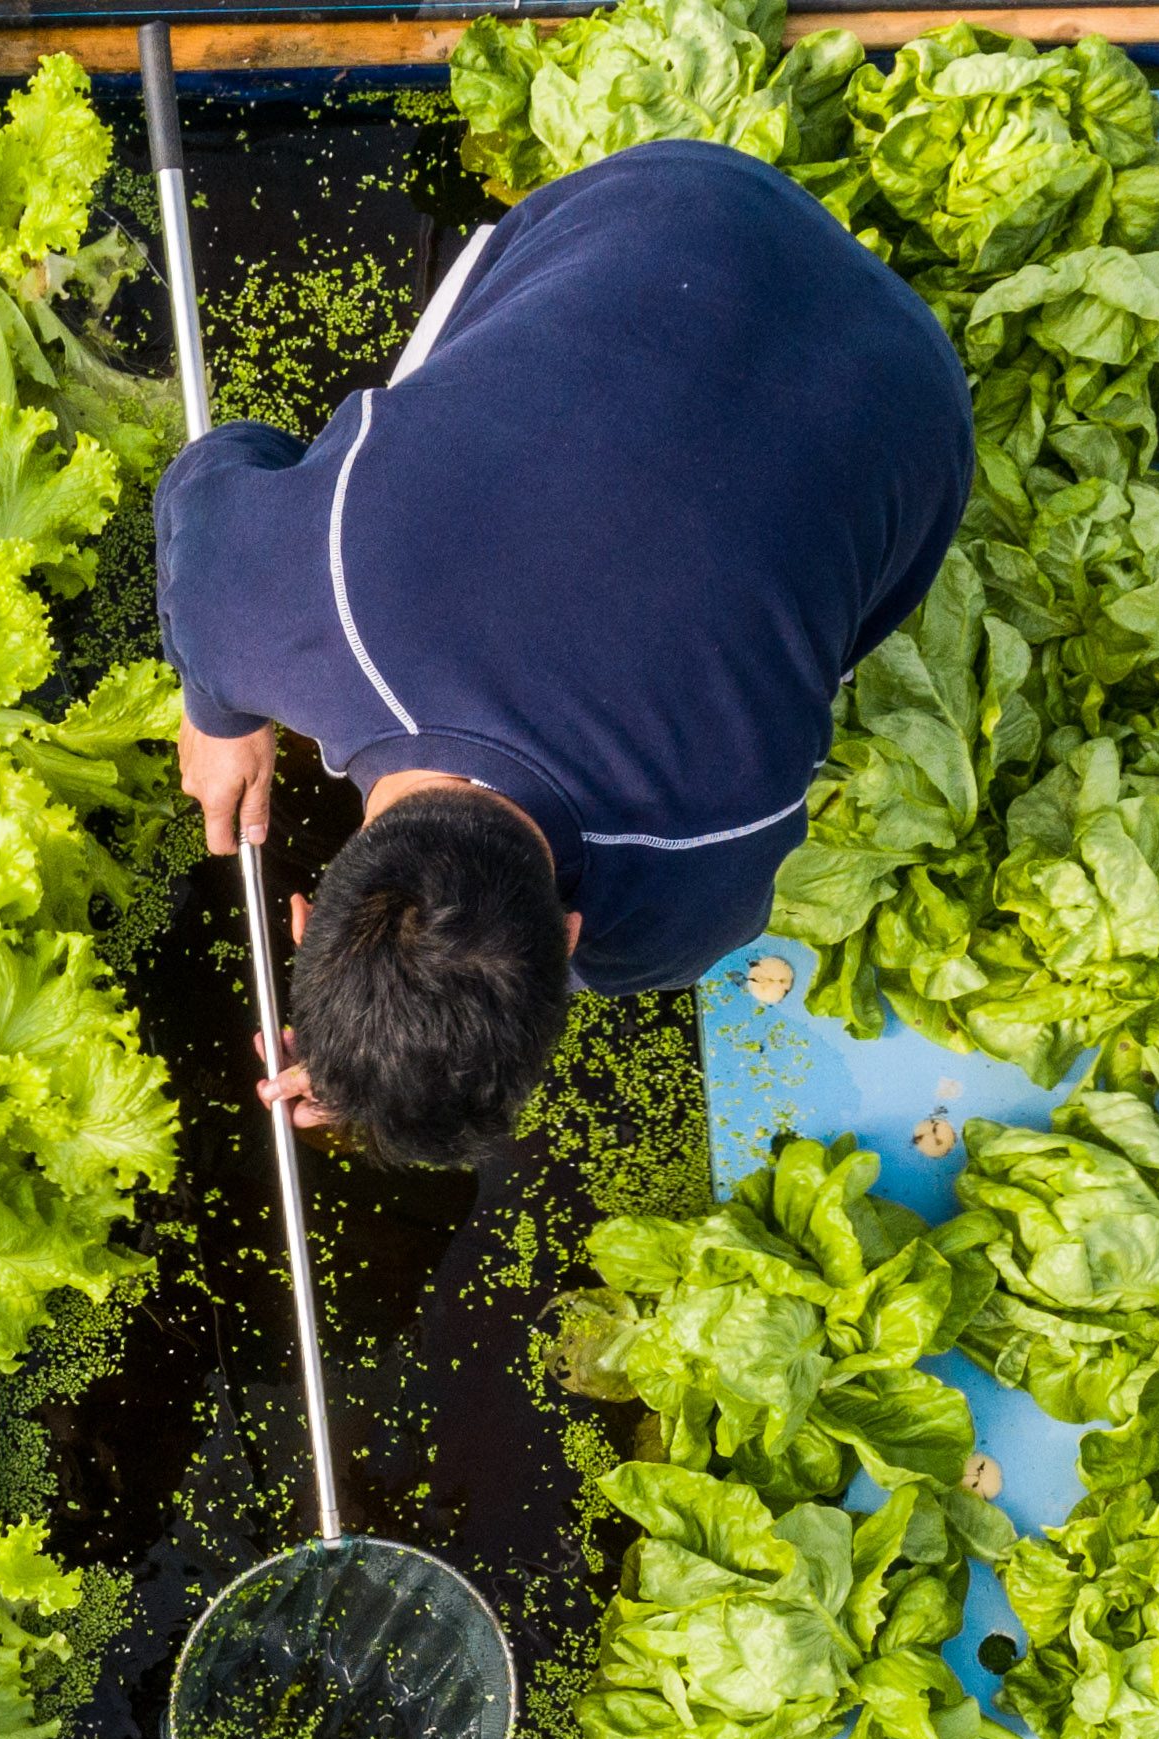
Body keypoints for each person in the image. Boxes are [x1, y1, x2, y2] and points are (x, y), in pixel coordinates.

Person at [155, 137, 971, 1167]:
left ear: (575, 938)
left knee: (817, 627)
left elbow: (556, 963)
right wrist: (216, 709)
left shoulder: (700, 880)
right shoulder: (279, 606)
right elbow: (216, 467)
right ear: (305, 906)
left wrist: (409, 1029)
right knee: (385, 441)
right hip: (684, 205)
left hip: (919, 400)